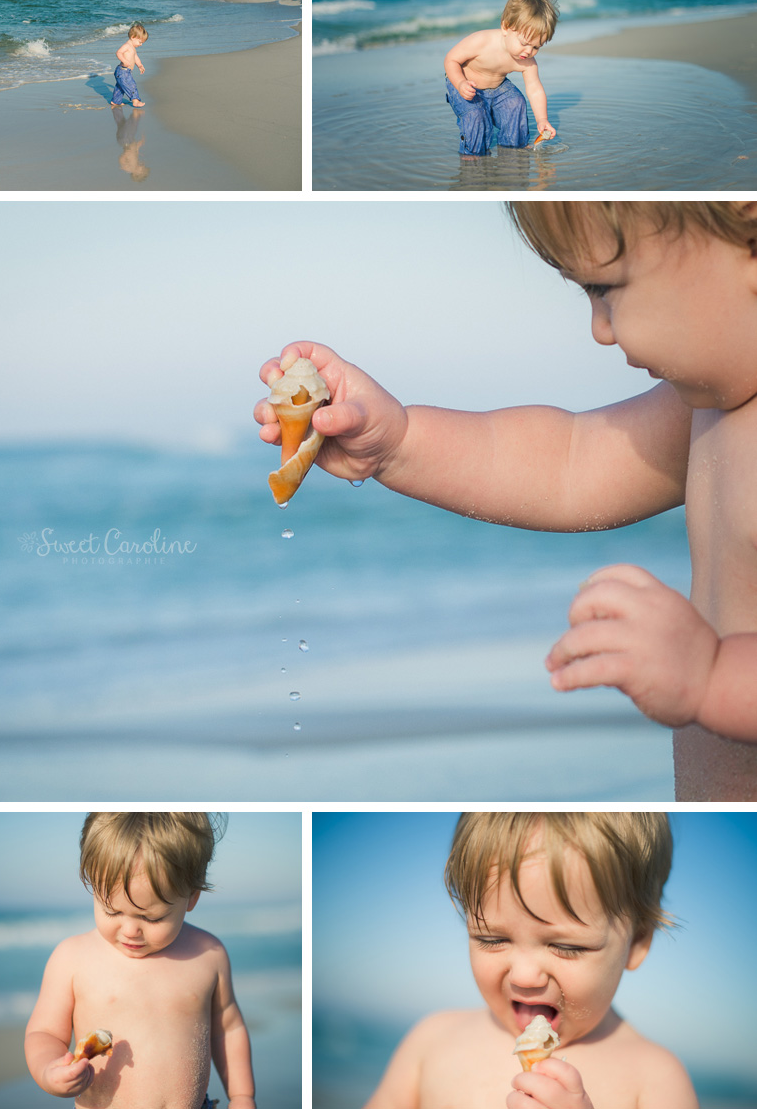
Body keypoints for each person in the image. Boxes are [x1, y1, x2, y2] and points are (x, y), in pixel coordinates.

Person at [255, 201, 757, 801]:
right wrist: (398, 441)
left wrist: (711, 677)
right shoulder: (707, 406)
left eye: (607, 288)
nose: (600, 329)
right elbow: (568, 462)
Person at [363, 813, 696, 1109]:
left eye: (566, 946)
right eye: (492, 939)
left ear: (638, 942)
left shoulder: (655, 1081)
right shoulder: (431, 1041)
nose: (524, 976)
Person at [25, 812, 256, 1109]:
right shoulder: (71, 958)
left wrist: (242, 1096)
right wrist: (48, 1070)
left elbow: (229, 1028)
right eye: (112, 911)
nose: (131, 930)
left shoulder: (208, 955)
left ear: (191, 898)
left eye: (152, 917)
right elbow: (44, 1033)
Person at [444, 0, 558, 155]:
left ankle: (513, 149)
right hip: (464, 85)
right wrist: (460, 83)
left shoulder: (527, 61)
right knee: (475, 115)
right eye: (524, 43)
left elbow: (534, 89)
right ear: (506, 27)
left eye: (536, 47)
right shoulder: (482, 41)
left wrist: (542, 119)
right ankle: (473, 156)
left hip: (497, 87)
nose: (528, 51)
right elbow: (451, 60)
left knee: (516, 103)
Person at [111, 22, 148, 108]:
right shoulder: (127, 46)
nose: (141, 44)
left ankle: (116, 101)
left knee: (120, 87)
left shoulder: (133, 48)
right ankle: (135, 100)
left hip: (125, 72)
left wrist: (139, 65)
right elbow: (118, 52)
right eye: (140, 42)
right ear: (133, 37)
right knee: (131, 85)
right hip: (122, 71)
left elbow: (135, 57)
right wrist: (124, 60)